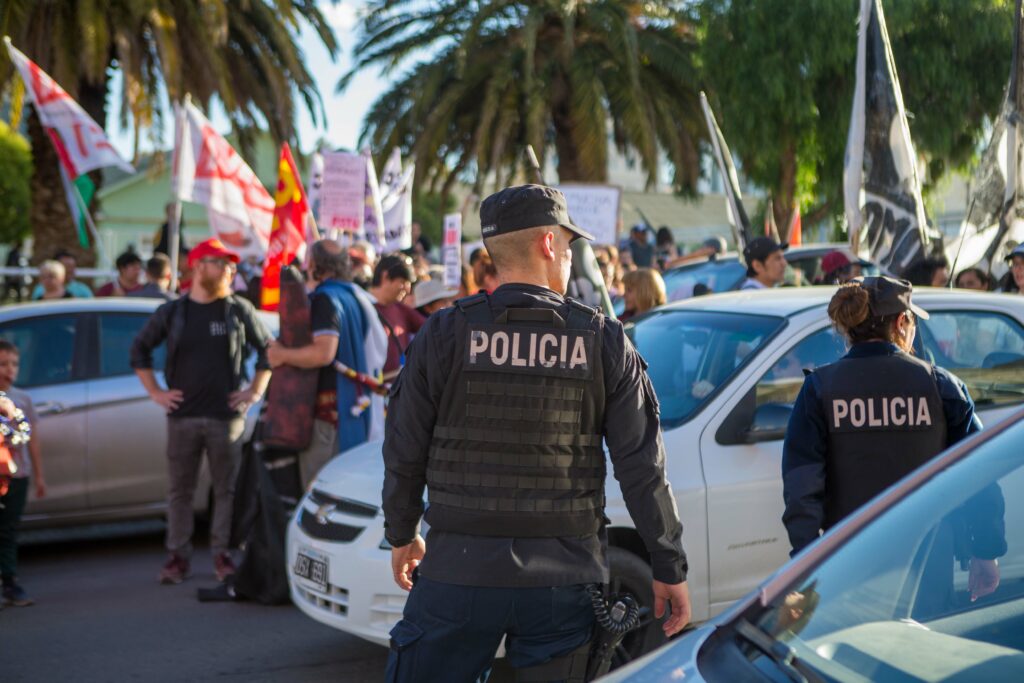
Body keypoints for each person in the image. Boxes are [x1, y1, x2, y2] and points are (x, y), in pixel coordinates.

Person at [382, 184, 690, 682]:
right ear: (549, 244)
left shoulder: (443, 334)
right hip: (563, 582)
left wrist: (401, 533)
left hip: (457, 570)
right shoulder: (605, 340)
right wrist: (668, 564)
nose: (569, 257)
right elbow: (641, 467)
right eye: (569, 246)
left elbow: (402, 448)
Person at [781, 277, 1002, 604]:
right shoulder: (942, 386)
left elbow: (801, 490)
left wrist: (806, 563)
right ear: (902, 322)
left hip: (847, 564)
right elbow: (981, 474)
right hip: (929, 564)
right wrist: (985, 551)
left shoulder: (819, 390)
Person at [131, 238, 272, 585]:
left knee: (225, 490)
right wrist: (156, 392)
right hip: (182, 418)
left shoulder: (238, 309)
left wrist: (255, 390)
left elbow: (269, 350)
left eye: (231, 264)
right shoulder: (173, 312)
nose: (229, 269)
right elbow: (139, 350)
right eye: (221, 262)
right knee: (180, 490)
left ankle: (222, 555)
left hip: (227, 420)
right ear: (198, 266)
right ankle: (177, 557)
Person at [266, 241, 377, 487]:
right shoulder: (356, 296)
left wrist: (282, 355)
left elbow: (323, 353)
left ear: (314, 265)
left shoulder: (325, 298)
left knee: (323, 496)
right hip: (352, 411)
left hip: (329, 421)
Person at [0, 340, 44, 607]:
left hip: (17, 475)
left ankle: (10, 582)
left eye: (14, 364)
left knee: (8, 530)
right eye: (3, 364)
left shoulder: (22, 400)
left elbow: (33, 441)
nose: (10, 369)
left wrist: (39, 476)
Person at [369, 254, 425, 379]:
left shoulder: (402, 310)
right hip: (372, 390)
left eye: (409, 283)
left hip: (399, 390)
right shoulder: (362, 307)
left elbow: (430, 328)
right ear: (385, 277)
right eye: (403, 281)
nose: (408, 289)